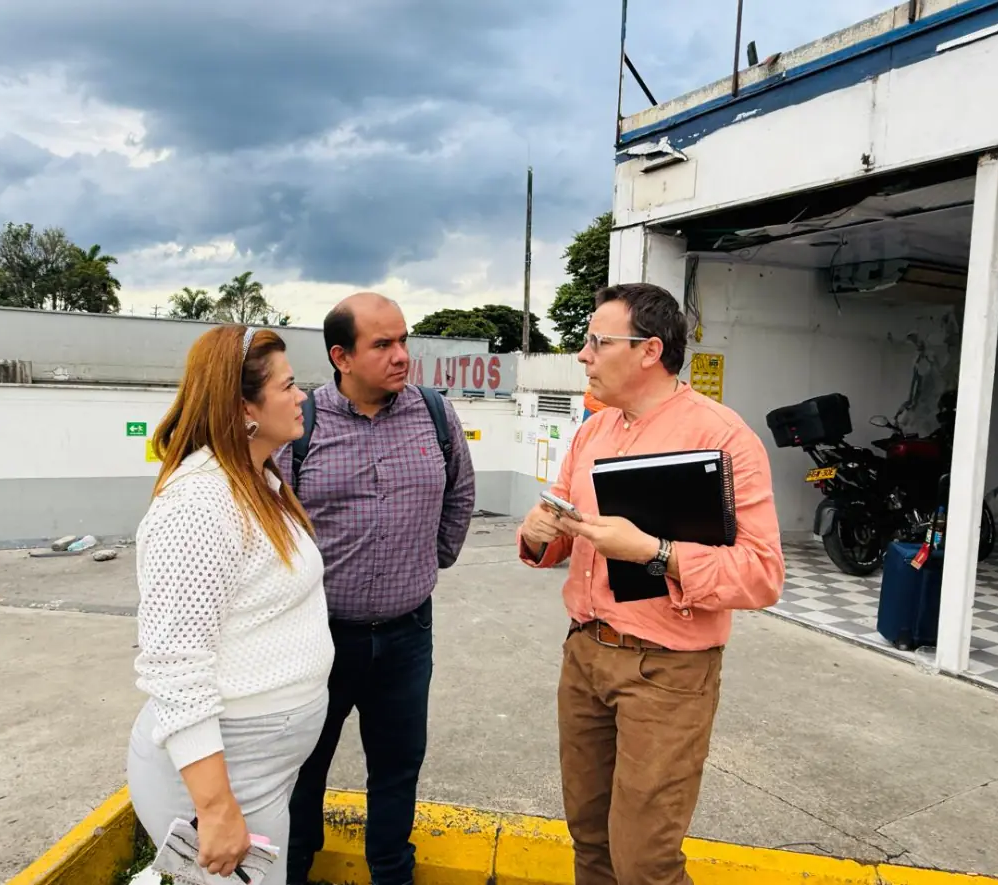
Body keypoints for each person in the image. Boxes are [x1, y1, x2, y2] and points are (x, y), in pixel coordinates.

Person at [517, 282, 785, 885]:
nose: (583, 355)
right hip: (585, 654)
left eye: (598, 341)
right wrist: (538, 532)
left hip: (667, 672)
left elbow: (763, 574)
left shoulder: (722, 437)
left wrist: (654, 552)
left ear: (649, 351)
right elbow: (557, 529)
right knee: (589, 838)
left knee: (644, 861)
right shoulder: (593, 430)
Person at [279, 292, 476, 885]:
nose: (401, 356)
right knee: (303, 768)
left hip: (407, 635)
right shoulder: (302, 424)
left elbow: (460, 494)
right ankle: (292, 869)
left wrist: (431, 561)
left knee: (397, 768)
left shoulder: (434, 414)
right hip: (318, 639)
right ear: (341, 356)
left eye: (403, 340)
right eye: (383, 344)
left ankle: (391, 873)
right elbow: (273, 521)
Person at [127, 325, 335, 885]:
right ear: (244, 407)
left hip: (261, 769)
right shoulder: (198, 504)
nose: (302, 396)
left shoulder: (257, 481)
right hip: (224, 775)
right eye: (288, 386)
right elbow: (175, 666)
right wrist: (216, 808)